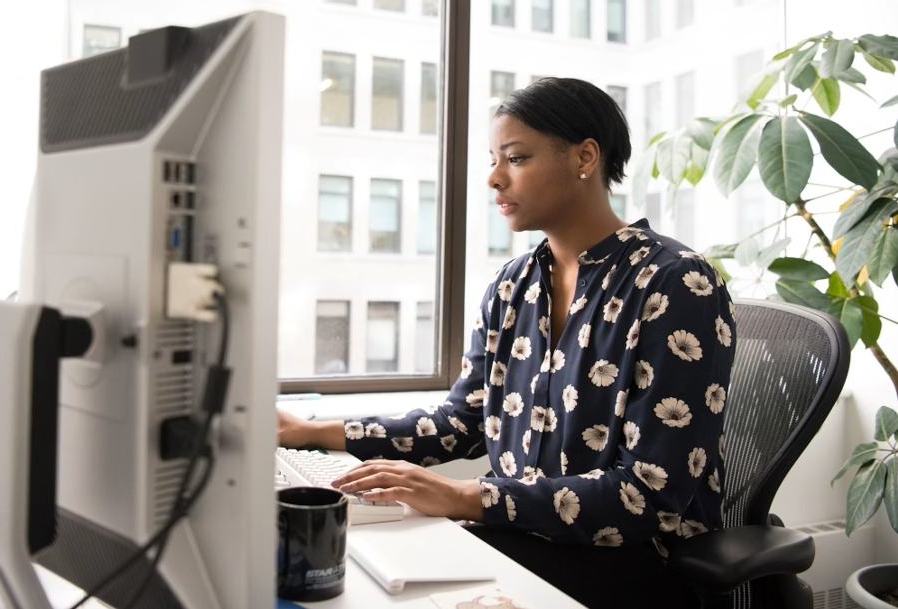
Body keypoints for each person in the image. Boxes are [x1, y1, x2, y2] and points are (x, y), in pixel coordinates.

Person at [277, 77, 735, 608]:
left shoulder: (677, 282)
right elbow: (461, 424)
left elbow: (648, 494)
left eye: (515, 158)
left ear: (585, 157)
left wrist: (466, 497)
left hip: (637, 563)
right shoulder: (514, 284)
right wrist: (310, 433)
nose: (494, 178)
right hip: (521, 540)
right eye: (494, 159)